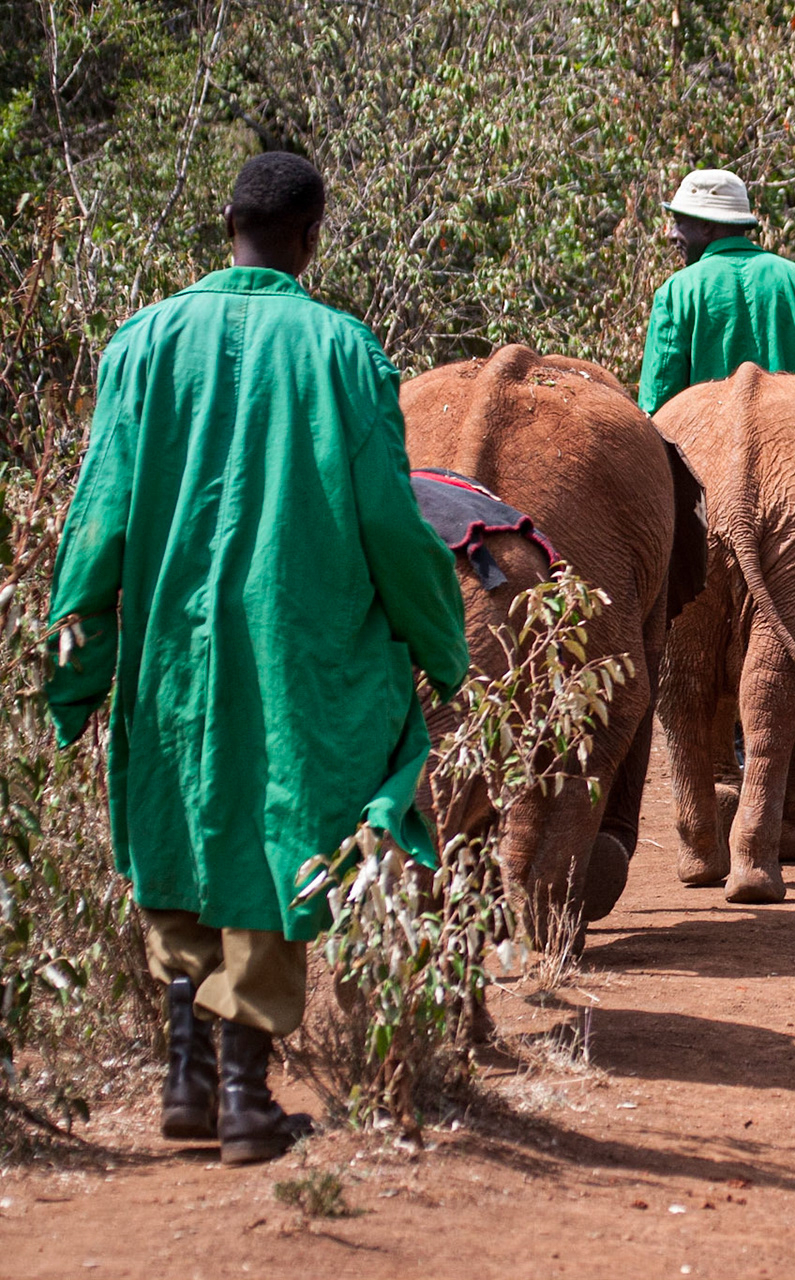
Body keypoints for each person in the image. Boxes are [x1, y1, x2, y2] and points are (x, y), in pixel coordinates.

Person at [43, 152, 470, 1164]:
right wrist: (437, 641)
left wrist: (77, 658)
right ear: (312, 237)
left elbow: (97, 514)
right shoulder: (341, 348)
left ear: (223, 217)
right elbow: (387, 518)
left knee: (181, 826)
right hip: (298, 647)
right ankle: (242, 1093)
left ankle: (186, 1078)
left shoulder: (142, 342)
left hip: (171, 650)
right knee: (288, 828)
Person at [638, 168, 795, 415]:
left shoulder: (677, 293)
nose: (672, 235)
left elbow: (658, 403)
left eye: (678, 223)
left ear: (706, 225)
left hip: (702, 450)